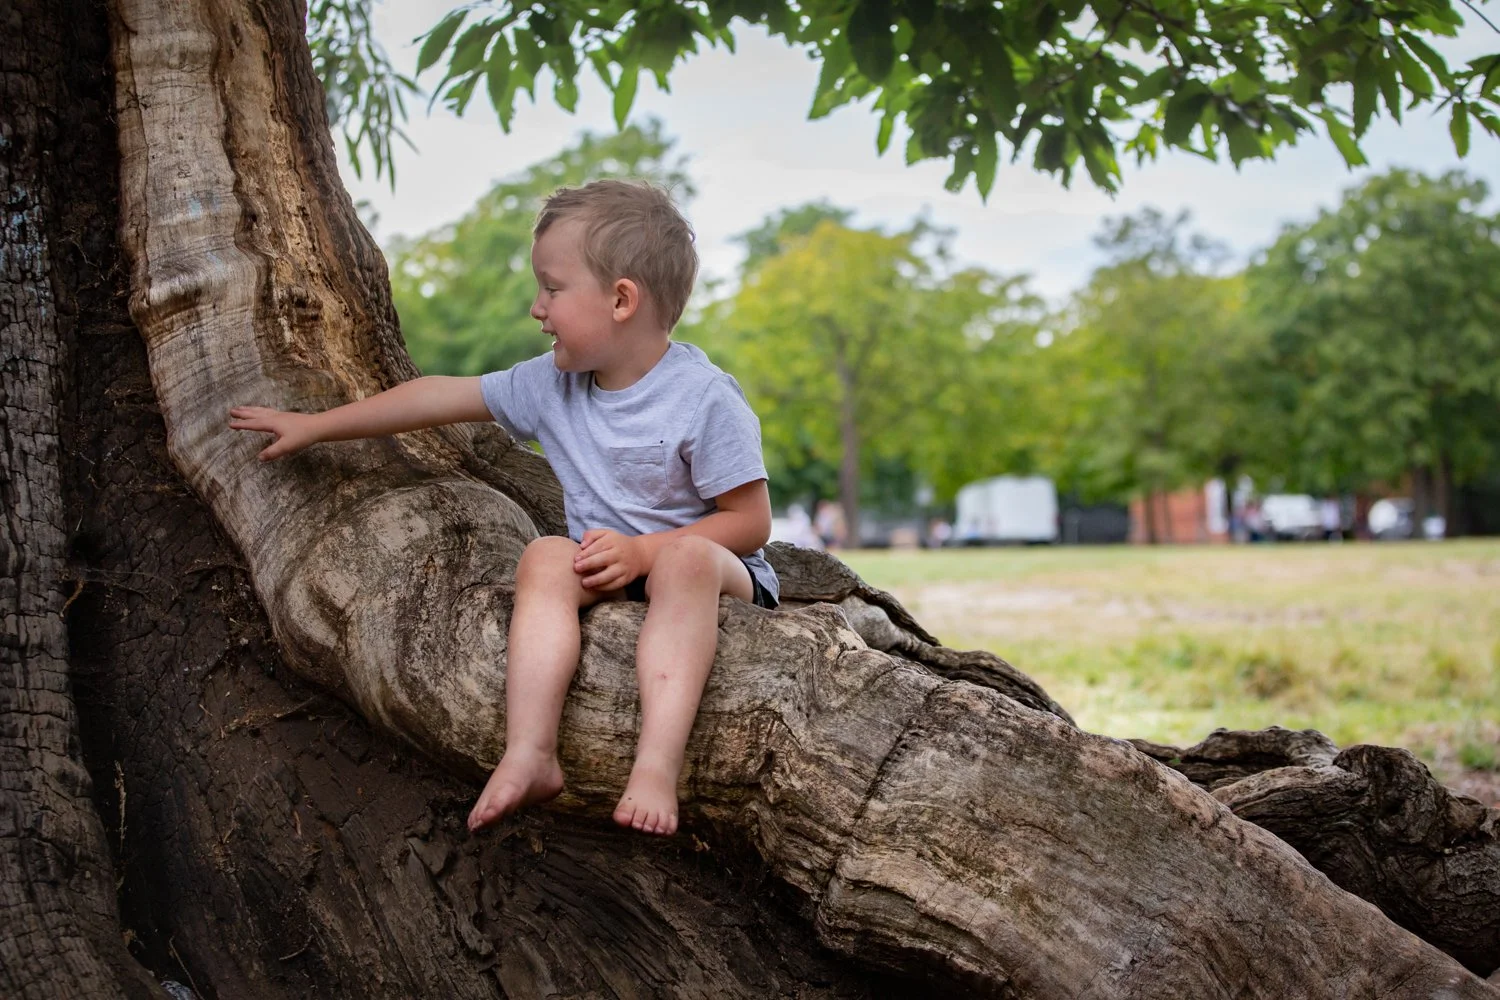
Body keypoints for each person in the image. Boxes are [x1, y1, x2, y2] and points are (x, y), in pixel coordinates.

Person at [229, 180, 778, 838]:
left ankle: (656, 768)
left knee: (685, 560)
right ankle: (531, 752)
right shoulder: (552, 383)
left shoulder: (704, 397)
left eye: (553, 287)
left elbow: (750, 524)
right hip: (611, 570)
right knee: (545, 556)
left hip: (710, 573)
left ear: (621, 299)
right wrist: (317, 426)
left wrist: (643, 552)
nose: (537, 307)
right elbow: (437, 396)